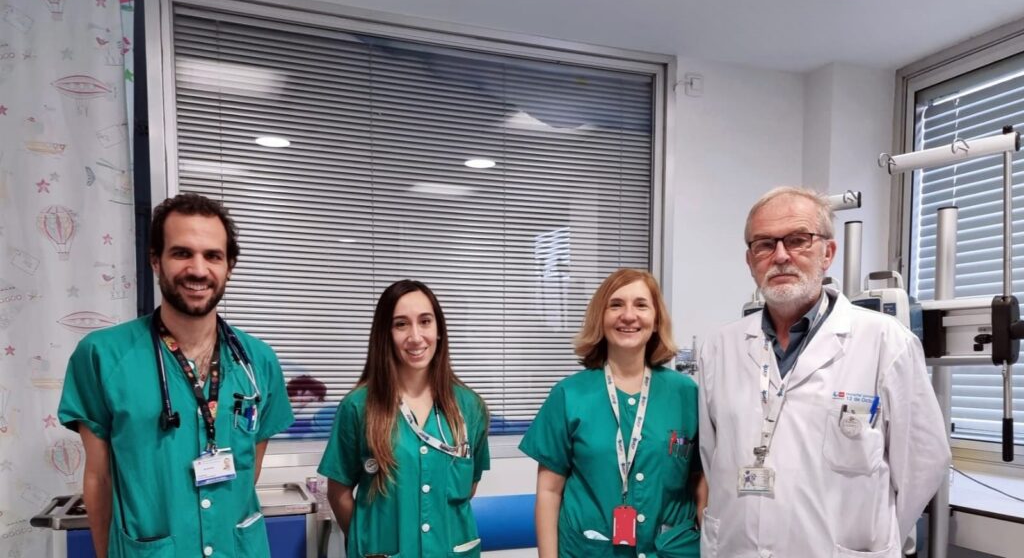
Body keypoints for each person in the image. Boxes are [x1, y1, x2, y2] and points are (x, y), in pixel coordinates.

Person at [697, 186, 950, 557]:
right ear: (750, 261)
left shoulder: (886, 342)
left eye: (798, 240)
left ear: (827, 253)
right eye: (765, 244)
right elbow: (712, 454)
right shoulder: (720, 347)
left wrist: (880, 535)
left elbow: (925, 462)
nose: (781, 255)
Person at [58, 193, 294, 558]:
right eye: (182, 253)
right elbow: (99, 479)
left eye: (213, 256)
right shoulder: (103, 356)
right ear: (156, 260)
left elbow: (250, 470)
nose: (198, 270)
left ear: (229, 265)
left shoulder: (258, 362)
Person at [520, 268, 704, 558]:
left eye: (641, 305)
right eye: (616, 304)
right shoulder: (570, 395)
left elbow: (700, 481)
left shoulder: (686, 393)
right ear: (600, 318)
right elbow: (549, 492)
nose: (628, 315)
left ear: (655, 320)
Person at [318, 279, 490, 557]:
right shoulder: (358, 406)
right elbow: (338, 492)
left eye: (425, 321)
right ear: (385, 334)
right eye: (401, 324)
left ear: (439, 331)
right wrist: (366, 542)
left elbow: (468, 488)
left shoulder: (470, 408)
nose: (415, 336)